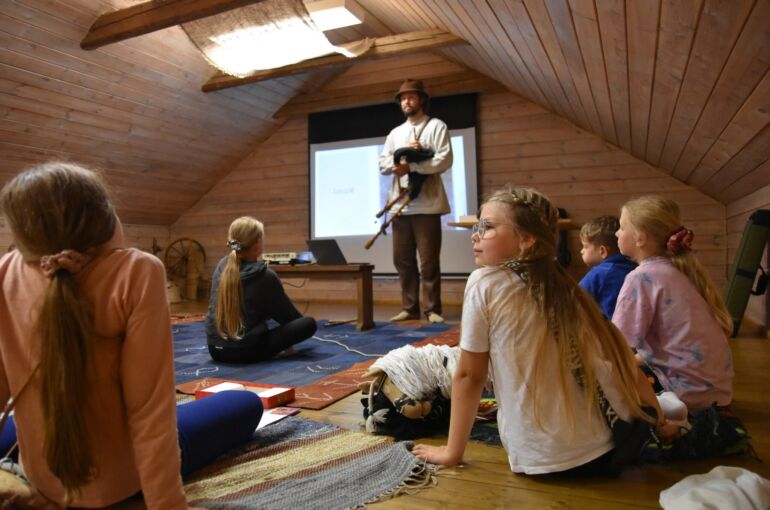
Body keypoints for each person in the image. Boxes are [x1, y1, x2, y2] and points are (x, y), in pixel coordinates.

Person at [0, 162, 265, 508]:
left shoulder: (6, 271)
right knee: (244, 402)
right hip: (120, 483)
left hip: (41, 477)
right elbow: (150, 410)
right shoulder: (136, 271)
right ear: (104, 217)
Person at [412, 187, 674, 475]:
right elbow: (623, 362)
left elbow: (469, 375)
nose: (476, 235)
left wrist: (452, 452)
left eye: (488, 227)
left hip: (548, 460)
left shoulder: (485, 282)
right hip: (614, 445)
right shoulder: (566, 285)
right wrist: (660, 422)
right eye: (478, 227)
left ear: (526, 239)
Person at [612, 196, 733, 412]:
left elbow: (617, 343)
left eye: (621, 227)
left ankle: (672, 419)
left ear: (640, 238)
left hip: (684, 396)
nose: (616, 234)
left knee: (603, 378)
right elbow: (669, 348)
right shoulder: (682, 270)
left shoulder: (641, 278)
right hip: (716, 393)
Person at [379, 79, 453, 323]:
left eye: (411, 97)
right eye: (402, 98)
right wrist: (399, 162)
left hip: (428, 204)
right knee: (402, 260)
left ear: (421, 99)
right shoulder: (395, 133)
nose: (406, 102)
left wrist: (412, 165)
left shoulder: (436, 126)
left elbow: (444, 160)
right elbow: (383, 164)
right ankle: (409, 308)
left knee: (429, 261)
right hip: (400, 206)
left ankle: (432, 310)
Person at [206, 216, 317, 362]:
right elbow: (290, 318)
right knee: (308, 324)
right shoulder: (264, 275)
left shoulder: (221, 265)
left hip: (215, 350)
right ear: (258, 243)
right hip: (245, 352)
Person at [578, 215, 637, 318]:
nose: (581, 251)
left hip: (607, 326)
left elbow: (576, 298)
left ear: (602, 251)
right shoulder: (634, 266)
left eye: (585, 246)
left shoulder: (600, 273)